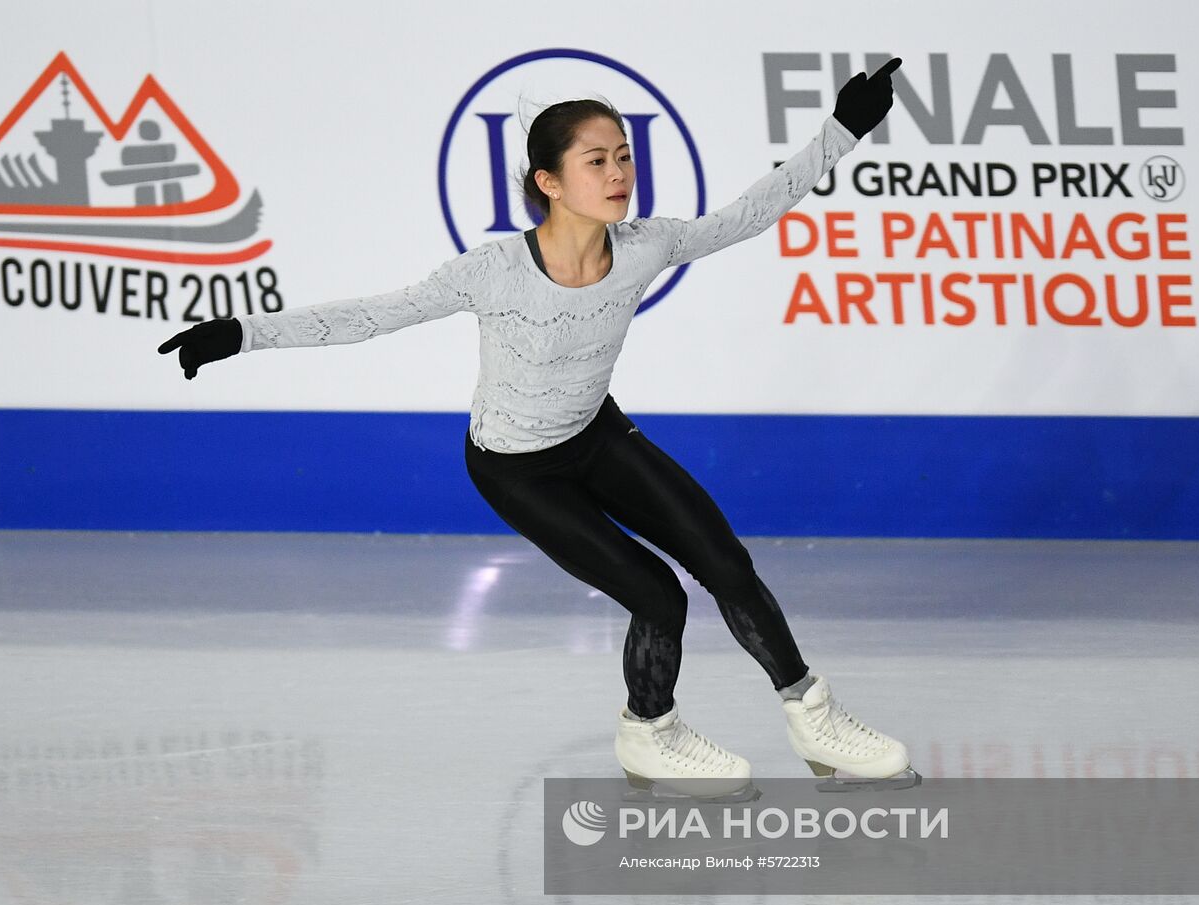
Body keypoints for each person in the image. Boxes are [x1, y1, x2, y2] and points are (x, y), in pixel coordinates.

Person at [158, 58, 919, 797]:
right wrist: (242, 333)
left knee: (724, 560)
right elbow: (374, 315)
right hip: (517, 468)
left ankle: (815, 721)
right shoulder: (493, 271)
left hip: (596, 435)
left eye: (624, 156)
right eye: (597, 161)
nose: (619, 173)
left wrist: (840, 132)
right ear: (549, 182)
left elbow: (746, 215)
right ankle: (649, 732)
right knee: (658, 595)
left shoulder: (645, 245)